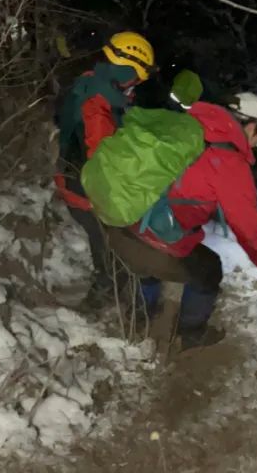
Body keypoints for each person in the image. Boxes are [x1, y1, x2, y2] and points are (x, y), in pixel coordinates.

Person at [102, 92, 257, 349]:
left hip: (118, 222)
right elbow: (248, 227)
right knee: (209, 270)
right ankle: (190, 334)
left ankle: (138, 316)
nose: (255, 145)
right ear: (252, 127)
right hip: (148, 240)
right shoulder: (229, 162)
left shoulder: (183, 125)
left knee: (148, 256)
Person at [54, 31, 156, 309]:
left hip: (71, 176)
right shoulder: (98, 106)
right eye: (136, 77)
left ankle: (111, 286)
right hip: (86, 190)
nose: (136, 85)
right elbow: (104, 159)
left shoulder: (90, 83)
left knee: (107, 241)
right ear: (126, 69)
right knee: (109, 243)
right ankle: (103, 295)